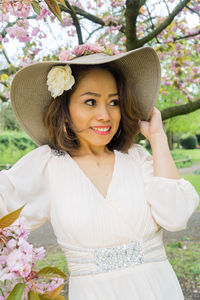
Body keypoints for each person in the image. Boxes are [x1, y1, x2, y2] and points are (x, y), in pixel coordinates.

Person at [0, 44, 199, 300]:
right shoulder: (47, 165)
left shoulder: (136, 159)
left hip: (159, 290)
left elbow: (176, 216)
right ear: (66, 109)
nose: (104, 115)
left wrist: (157, 136)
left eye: (114, 102)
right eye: (90, 102)